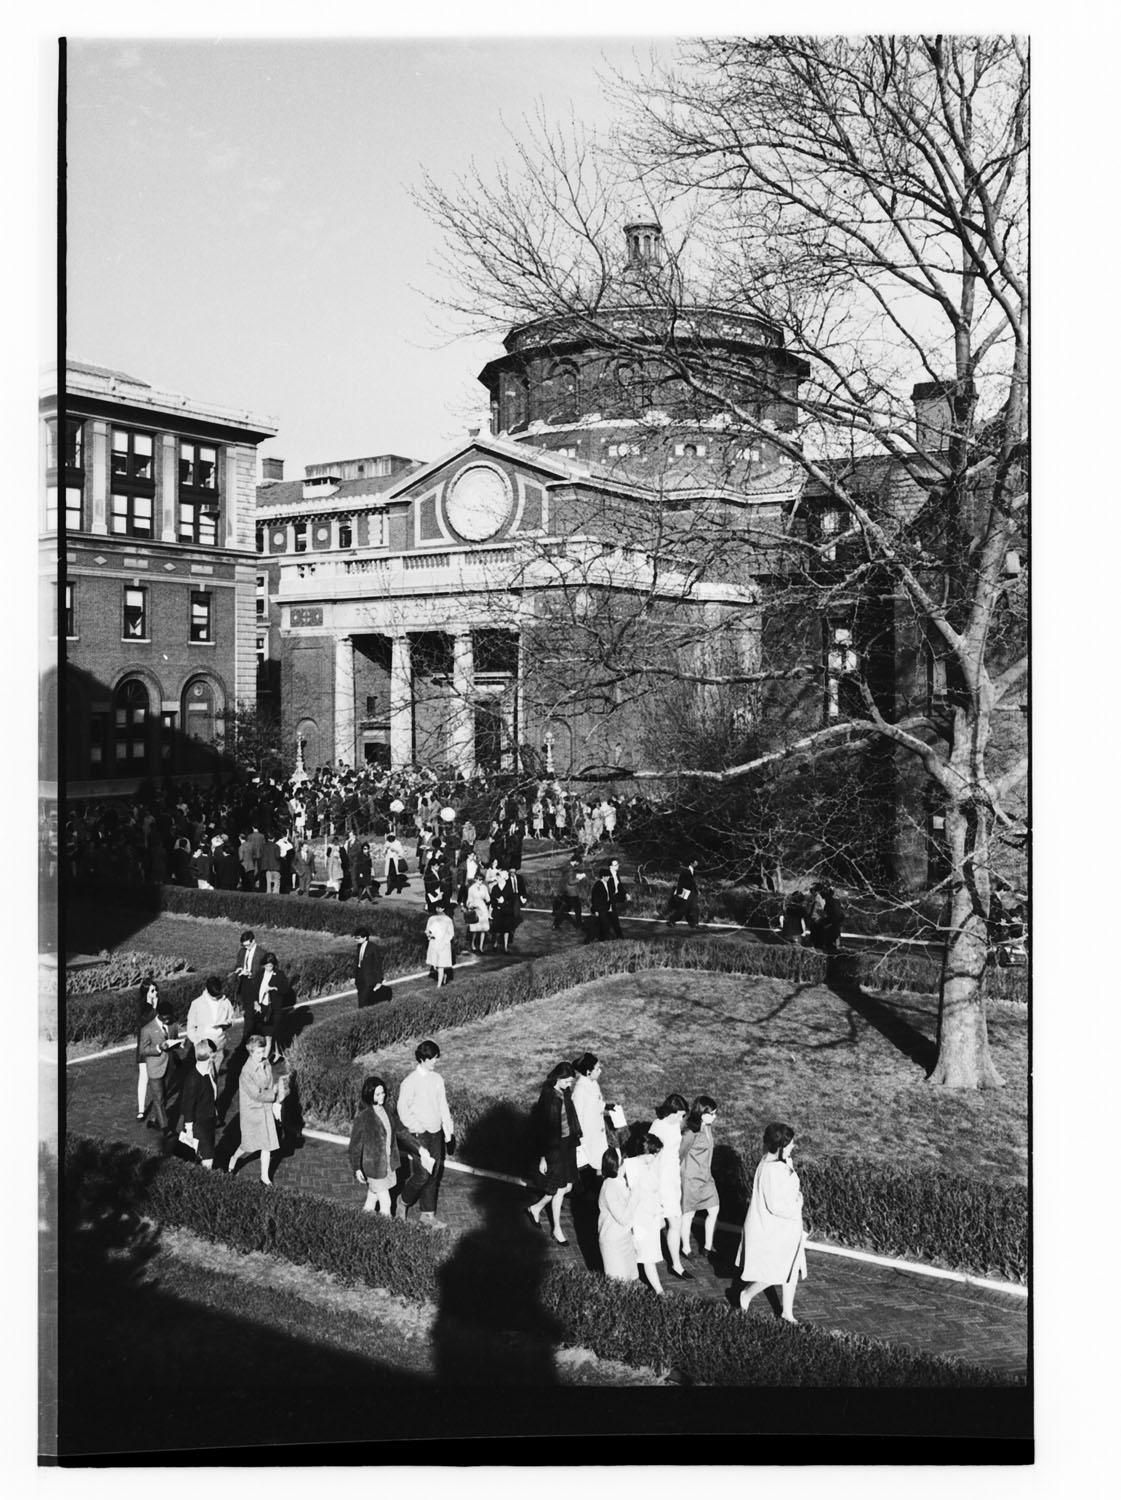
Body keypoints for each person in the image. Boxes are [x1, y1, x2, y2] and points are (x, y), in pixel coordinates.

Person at [736, 1122, 808, 1323]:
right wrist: (798, 1203)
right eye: (791, 1144)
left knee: (790, 1269)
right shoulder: (773, 1170)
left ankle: (787, 1312)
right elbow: (777, 1205)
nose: (793, 1146)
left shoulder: (774, 1162)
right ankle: (747, 1294)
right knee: (775, 1271)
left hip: (785, 1228)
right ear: (781, 1146)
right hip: (776, 1228)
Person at [348, 1075, 431, 1216]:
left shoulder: (387, 1111)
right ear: (370, 1095)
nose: (382, 1096)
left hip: (387, 1165)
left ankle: (363, 1220)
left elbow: (401, 1132)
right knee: (386, 1203)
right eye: (378, 1094)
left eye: (383, 1092)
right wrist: (357, 1168)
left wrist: (420, 1148)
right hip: (374, 1167)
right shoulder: (363, 1117)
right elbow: (355, 1146)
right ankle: (386, 1231)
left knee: (372, 1198)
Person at [395, 1040, 455, 1229]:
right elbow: (403, 1111)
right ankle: (403, 1201)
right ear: (422, 1059)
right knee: (421, 1175)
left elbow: (442, 1105)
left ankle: (427, 1215)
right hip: (420, 1136)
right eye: (432, 1059)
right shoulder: (409, 1082)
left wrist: (448, 1130)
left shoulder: (437, 1079)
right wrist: (417, 1127)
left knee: (434, 1173)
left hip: (436, 1134)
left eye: (436, 1058)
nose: (435, 1062)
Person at [526, 1062, 582, 1244]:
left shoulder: (565, 1093)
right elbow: (543, 1130)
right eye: (567, 1081)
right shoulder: (548, 1097)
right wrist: (543, 1157)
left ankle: (536, 1208)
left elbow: (571, 1118)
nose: (569, 1085)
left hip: (567, 1144)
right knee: (557, 1188)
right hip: (554, 1147)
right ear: (558, 1078)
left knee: (567, 1186)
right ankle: (557, 1229)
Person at [227, 1035, 279, 1185]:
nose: (262, 1055)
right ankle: (234, 1158)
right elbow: (256, 1094)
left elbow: (269, 1082)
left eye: (263, 1051)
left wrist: (273, 1100)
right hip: (253, 1111)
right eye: (258, 1053)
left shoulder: (265, 1062)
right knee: (247, 1145)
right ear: (251, 1052)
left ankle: (264, 1177)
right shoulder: (246, 1071)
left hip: (265, 1109)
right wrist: (273, 1094)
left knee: (266, 1144)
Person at [649, 1093, 691, 1279]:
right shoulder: (657, 1127)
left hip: (673, 1179)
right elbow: (651, 1158)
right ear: (670, 1112)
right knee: (672, 1221)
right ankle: (675, 1264)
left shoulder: (674, 1125)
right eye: (679, 1115)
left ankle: (674, 1262)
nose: (681, 1120)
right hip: (661, 1180)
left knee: (676, 1220)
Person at [623, 1131, 665, 1295]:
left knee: (646, 1254)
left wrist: (660, 1214)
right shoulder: (631, 1167)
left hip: (651, 1217)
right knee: (646, 1256)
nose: (656, 1157)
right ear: (646, 1152)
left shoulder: (649, 1166)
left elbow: (656, 1192)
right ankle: (659, 1290)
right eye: (654, 1154)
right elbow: (629, 1197)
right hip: (640, 1219)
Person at [679, 1095, 721, 1256]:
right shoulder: (690, 1133)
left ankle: (708, 1247)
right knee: (688, 1214)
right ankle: (685, 1248)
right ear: (702, 1113)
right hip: (691, 1180)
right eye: (712, 1113)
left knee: (714, 1209)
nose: (715, 1117)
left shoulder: (708, 1128)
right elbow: (679, 1155)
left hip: (707, 1178)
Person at [137, 1002, 183, 1133]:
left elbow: (174, 1039)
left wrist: (179, 1044)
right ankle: (165, 1127)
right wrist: (158, 1048)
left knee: (163, 1096)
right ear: (159, 1015)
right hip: (155, 1067)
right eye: (165, 1018)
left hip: (169, 1065)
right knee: (158, 1098)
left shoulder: (173, 1025)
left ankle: (153, 1119)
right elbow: (143, 1050)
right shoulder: (147, 1029)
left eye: (169, 1017)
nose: (168, 1020)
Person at [597, 1145, 639, 1281]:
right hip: (613, 1242)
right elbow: (623, 1218)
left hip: (625, 1237)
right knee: (618, 1282)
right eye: (624, 1161)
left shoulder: (620, 1181)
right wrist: (635, 1196)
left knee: (631, 1279)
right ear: (618, 1166)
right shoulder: (610, 1188)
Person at [178, 1040, 220, 1168]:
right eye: (214, 1054)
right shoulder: (193, 1079)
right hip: (198, 1125)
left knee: (203, 1157)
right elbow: (188, 1106)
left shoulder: (210, 1071)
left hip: (209, 1120)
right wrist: (189, 1130)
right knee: (208, 1159)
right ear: (211, 1055)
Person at [572, 1052, 609, 1193]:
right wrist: (579, 1139)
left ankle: (596, 1194)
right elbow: (576, 1116)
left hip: (597, 1134)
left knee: (599, 1164)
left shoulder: (593, 1084)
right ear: (588, 1072)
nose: (600, 1071)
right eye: (597, 1068)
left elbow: (597, 1103)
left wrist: (607, 1107)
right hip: (587, 1137)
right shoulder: (580, 1090)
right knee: (591, 1167)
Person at [186, 977, 235, 1081]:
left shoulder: (226, 1002)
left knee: (214, 1077)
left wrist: (226, 1024)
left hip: (219, 1044)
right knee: (202, 1078)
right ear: (207, 990)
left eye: (217, 996)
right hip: (203, 1047)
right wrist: (197, 1043)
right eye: (213, 996)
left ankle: (213, 1097)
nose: (215, 998)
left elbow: (231, 1020)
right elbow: (190, 1027)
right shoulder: (197, 1003)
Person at [247, 951, 294, 1057]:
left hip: (273, 1010)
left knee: (268, 1036)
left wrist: (274, 988)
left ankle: (264, 1059)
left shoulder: (279, 975)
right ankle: (275, 1052)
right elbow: (255, 990)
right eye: (267, 965)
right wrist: (255, 1002)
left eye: (270, 966)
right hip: (261, 1008)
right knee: (262, 1034)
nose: (268, 968)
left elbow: (285, 989)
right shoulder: (260, 974)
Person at [134, 978, 160, 1120]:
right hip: (144, 1046)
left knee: (157, 1077)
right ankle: (141, 1109)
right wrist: (155, 1007)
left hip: (156, 1045)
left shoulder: (157, 1005)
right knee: (144, 1077)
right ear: (146, 993)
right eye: (152, 991)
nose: (155, 993)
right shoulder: (141, 1007)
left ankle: (158, 1108)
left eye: (155, 990)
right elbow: (145, 1022)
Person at [354, 927, 387, 1008]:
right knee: (361, 997)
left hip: (369, 978)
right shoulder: (359, 946)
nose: (356, 939)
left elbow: (378, 965)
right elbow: (357, 962)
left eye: (358, 938)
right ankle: (362, 1013)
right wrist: (354, 976)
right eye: (355, 937)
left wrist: (379, 981)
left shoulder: (373, 948)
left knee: (364, 999)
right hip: (360, 977)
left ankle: (364, 1014)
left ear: (365, 937)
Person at [231, 930, 264, 1011]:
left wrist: (250, 974)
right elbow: (238, 965)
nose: (246, 948)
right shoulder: (242, 952)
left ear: (253, 941)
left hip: (254, 984)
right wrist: (238, 969)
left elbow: (263, 972)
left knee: (254, 1010)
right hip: (243, 982)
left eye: (248, 945)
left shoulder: (262, 954)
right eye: (244, 946)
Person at [489, 865, 518, 952]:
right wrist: (497, 903)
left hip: (506, 912)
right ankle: (496, 944)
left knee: (506, 929)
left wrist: (504, 902)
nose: (497, 879)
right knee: (497, 929)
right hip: (498, 911)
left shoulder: (509, 888)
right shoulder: (495, 888)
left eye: (499, 877)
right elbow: (492, 900)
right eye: (497, 877)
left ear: (503, 878)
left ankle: (505, 946)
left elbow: (512, 900)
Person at [425, 906, 456, 987]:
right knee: (435, 964)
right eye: (437, 908)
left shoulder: (448, 920)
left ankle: (439, 985)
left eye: (441, 908)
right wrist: (429, 935)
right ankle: (444, 976)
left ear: (444, 909)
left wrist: (445, 941)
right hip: (434, 943)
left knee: (441, 964)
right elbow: (427, 930)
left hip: (443, 944)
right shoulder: (432, 918)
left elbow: (451, 933)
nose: (438, 909)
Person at [583, 866, 613, 944]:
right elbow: (594, 898)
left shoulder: (608, 883)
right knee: (601, 924)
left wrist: (610, 906)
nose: (609, 877)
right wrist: (596, 910)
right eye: (608, 876)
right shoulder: (598, 885)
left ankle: (600, 938)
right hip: (600, 907)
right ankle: (591, 940)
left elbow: (609, 895)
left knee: (602, 924)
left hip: (606, 907)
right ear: (603, 876)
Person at [553, 856, 585, 930]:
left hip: (566, 891)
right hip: (572, 892)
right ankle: (579, 925)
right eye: (578, 863)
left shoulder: (566, 867)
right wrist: (579, 878)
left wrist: (576, 876)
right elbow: (571, 882)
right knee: (578, 909)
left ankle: (555, 925)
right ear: (576, 861)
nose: (578, 864)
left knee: (563, 909)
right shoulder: (570, 869)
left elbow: (567, 878)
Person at [665, 860, 700, 928]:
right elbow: (680, 882)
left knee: (695, 907)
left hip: (693, 892)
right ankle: (672, 920)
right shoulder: (685, 871)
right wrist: (679, 892)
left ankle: (695, 923)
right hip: (686, 892)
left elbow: (693, 883)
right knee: (682, 909)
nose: (697, 863)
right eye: (695, 862)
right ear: (691, 863)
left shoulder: (693, 871)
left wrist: (697, 890)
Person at [464, 872, 492, 953]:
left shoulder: (484, 887)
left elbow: (488, 899)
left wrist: (487, 902)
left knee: (483, 928)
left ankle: (481, 947)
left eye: (481, 880)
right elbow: (468, 901)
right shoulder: (471, 889)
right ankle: (473, 944)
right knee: (475, 929)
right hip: (475, 909)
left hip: (483, 908)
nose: (480, 882)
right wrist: (471, 906)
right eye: (478, 880)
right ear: (475, 880)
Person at [605, 857, 628, 938]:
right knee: (613, 917)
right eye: (615, 865)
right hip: (608, 898)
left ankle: (606, 934)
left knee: (610, 917)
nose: (617, 866)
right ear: (610, 866)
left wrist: (626, 894)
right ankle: (619, 936)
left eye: (617, 864)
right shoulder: (607, 875)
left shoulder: (616, 873)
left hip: (614, 897)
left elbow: (619, 884)